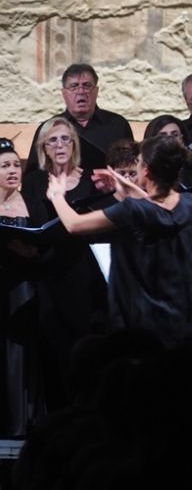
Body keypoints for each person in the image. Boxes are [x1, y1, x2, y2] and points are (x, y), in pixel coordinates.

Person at [47, 136, 192, 346]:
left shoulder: (132, 210)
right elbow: (157, 208)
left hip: (144, 323)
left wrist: (57, 195)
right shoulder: (188, 204)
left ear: (146, 171)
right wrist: (123, 185)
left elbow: (73, 224)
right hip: (182, 319)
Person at [22, 117, 107, 411]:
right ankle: (59, 414)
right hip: (48, 271)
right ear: (43, 147)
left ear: (75, 144)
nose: (60, 145)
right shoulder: (33, 181)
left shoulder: (89, 181)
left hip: (83, 269)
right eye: (53, 140)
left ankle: (89, 411)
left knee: (85, 342)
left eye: (66, 139)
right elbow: (32, 223)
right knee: (53, 343)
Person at [0, 139, 43, 436]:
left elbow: (46, 239)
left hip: (23, 286)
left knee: (20, 352)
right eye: (5, 166)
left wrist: (31, 253)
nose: (13, 170)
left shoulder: (32, 200)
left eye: (17, 165)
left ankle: (21, 422)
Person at [25, 63, 133, 174]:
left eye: (87, 85)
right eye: (74, 86)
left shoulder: (118, 125)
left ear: (96, 91)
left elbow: (132, 168)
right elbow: (32, 175)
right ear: (64, 93)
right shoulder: (49, 129)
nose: (81, 91)